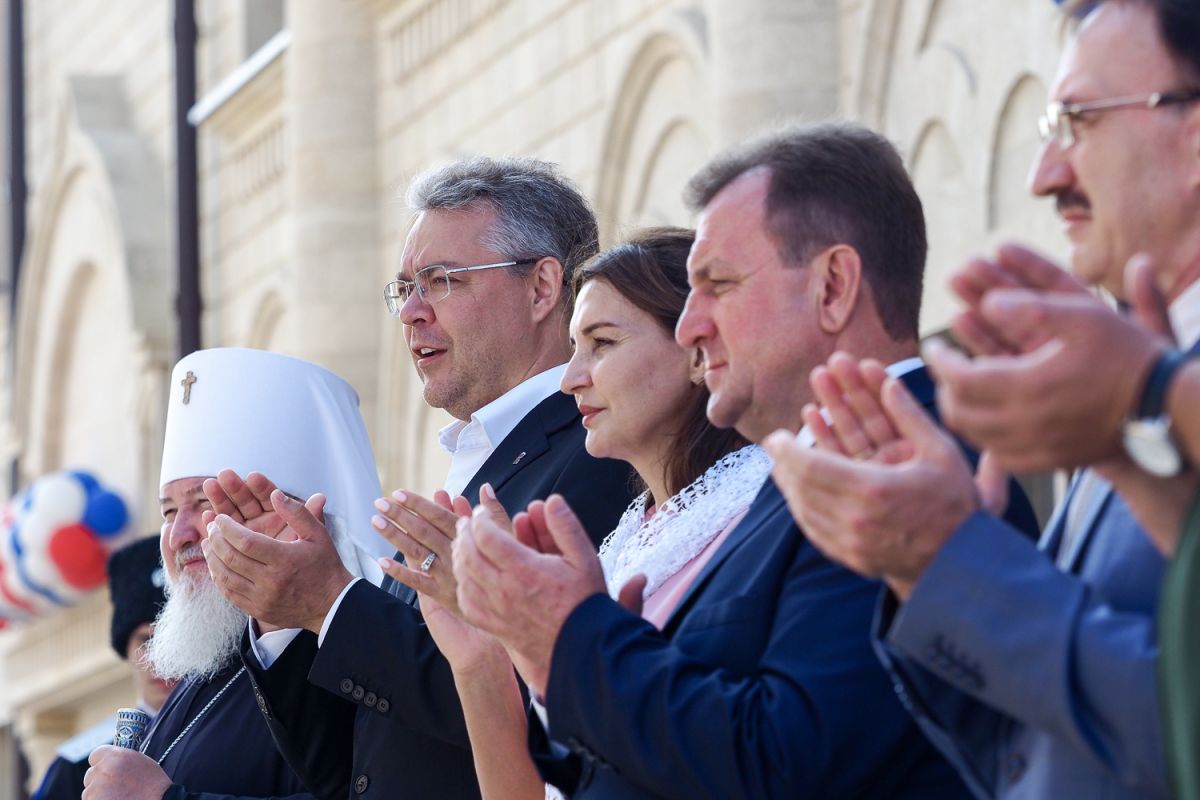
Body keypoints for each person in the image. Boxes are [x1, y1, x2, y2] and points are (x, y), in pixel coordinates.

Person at [451, 123, 1038, 799]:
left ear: (832, 286)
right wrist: (556, 645)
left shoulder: (900, 465)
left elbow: (788, 763)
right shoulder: (806, 474)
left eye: (719, 284)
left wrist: (576, 636)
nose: (691, 326)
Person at [762, 1, 1200, 796]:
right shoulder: (1136, 373)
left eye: (1079, 122)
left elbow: (1176, 725)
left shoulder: (1146, 383)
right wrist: (929, 570)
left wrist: (952, 563)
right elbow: (1037, 746)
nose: (1045, 175)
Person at [202, 157, 634, 799]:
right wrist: (286, 616)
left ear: (543, 288)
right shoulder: (482, 457)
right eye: (405, 288)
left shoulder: (599, 455)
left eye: (440, 281)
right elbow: (356, 769)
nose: (410, 312)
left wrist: (332, 602)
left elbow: (531, 704)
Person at [374, 227, 763, 799]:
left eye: (602, 343)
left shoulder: (767, 513)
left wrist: (574, 633)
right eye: (576, 346)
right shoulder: (621, 542)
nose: (570, 377)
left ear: (698, 352)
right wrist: (481, 658)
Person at [83, 347, 383, 800]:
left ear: (289, 517)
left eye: (204, 503)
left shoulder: (356, 665)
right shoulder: (204, 669)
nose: (179, 535)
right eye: (169, 512)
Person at [34, 536, 175, 800]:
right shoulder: (77, 763)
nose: (161, 659)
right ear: (126, 648)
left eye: (176, 640)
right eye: (146, 640)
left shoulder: (233, 738)